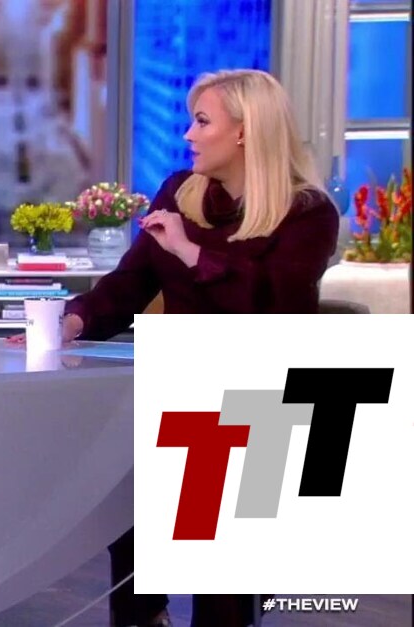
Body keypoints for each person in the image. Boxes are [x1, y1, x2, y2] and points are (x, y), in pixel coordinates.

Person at [17, 69, 338, 626]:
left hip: (261, 404)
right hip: (182, 392)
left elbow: (274, 304)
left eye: (203, 121)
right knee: (125, 502)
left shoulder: (308, 212)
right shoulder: (180, 194)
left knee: (219, 555)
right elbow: (130, 283)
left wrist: (192, 254)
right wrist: (73, 321)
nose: (189, 134)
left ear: (245, 131)